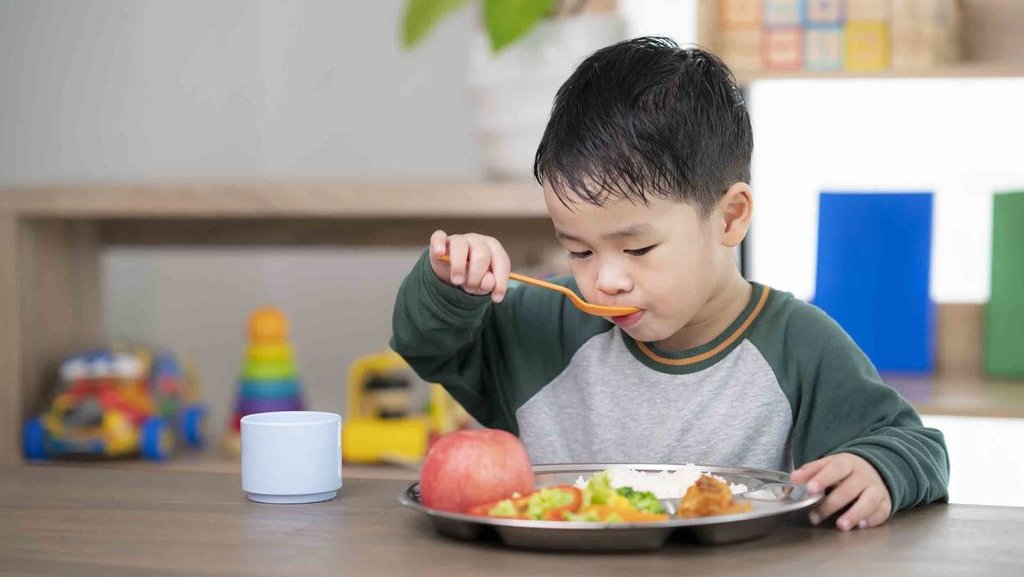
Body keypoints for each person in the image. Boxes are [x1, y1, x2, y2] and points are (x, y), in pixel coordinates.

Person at [391, 37, 948, 531]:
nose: (604, 279)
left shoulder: (800, 347)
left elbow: (915, 445)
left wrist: (877, 468)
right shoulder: (542, 323)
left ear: (730, 217)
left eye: (637, 249)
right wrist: (451, 287)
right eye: (579, 249)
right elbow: (427, 345)